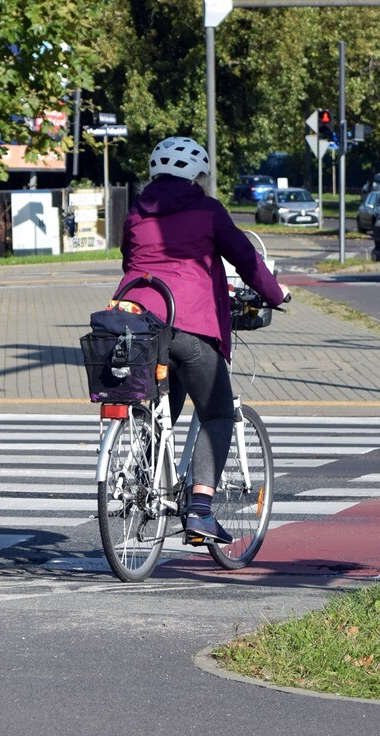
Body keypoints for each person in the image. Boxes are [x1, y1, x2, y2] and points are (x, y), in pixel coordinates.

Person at [114, 136, 290, 545]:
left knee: (161, 407)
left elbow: (129, 260)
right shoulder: (208, 210)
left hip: (136, 320)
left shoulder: (137, 210)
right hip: (189, 323)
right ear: (198, 174)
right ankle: (200, 511)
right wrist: (275, 294)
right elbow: (246, 258)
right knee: (216, 414)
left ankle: (144, 479)